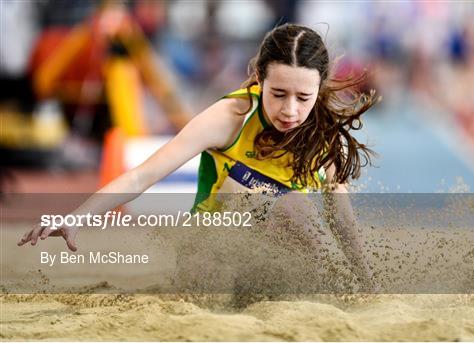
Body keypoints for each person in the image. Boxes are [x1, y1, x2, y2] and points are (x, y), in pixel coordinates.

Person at [18, 24, 378, 289]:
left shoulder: (324, 131)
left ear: (320, 89)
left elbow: (339, 215)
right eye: (279, 93)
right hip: (211, 247)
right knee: (271, 203)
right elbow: (142, 175)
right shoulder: (231, 117)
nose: (290, 110)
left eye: (304, 97)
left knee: (295, 209)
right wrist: (77, 217)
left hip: (278, 257)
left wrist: (366, 283)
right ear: (258, 80)